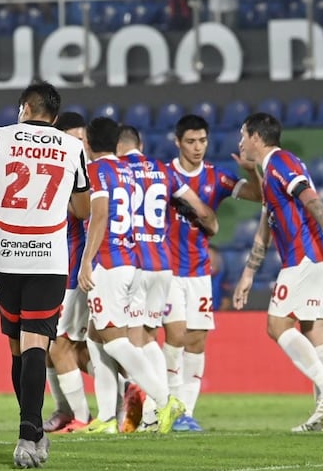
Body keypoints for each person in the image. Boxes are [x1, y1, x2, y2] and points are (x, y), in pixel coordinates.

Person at [0, 81, 91, 468]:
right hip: (49, 261)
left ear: (24, 106)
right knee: (33, 346)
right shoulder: (72, 148)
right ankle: (32, 433)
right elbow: (83, 209)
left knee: (20, 349)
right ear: (55, 116)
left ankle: (29, 432)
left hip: (6, 258)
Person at [231, 112, 323, 433]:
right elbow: (265, 228)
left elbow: (311, 199)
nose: (240, 142)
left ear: (257, 137)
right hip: (321, 259)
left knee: (276, 324)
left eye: (244, 135)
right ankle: (321, 417)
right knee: (314, 332)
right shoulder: (269, 171)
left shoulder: (281, 162)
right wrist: (248, 274)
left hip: (307, 256)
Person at [116, 124, 219, 433]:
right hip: (163, 265)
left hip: (129, 265)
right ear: (141, 143)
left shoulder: (112, 170)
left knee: (131, 340)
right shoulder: (162, 172)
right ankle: (163, 407)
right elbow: (202, 211)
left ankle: (149, 408)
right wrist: (209, 224)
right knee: (163, 337)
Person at [161, 114, 261, 432]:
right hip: (166, 271)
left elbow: (258, 196)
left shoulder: (216, 178)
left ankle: (185, 413)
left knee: (197, 340)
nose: (197, 147)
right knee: (175, 335)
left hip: (199, 273)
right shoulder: (162, 176)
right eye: (190, 141)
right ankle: (165, 404)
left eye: (202, 141)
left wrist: (251, 171)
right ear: (177, 142)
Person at [43, 111, 93, 434]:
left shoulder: (84, 175)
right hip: (49, 272)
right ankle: (65, 410)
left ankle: (82, 418)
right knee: (57, 347)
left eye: (84, 140)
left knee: (59, 345)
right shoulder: (51, 170)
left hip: (72, 274)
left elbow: (83, 213)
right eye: (75, 140)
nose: (81, 146)